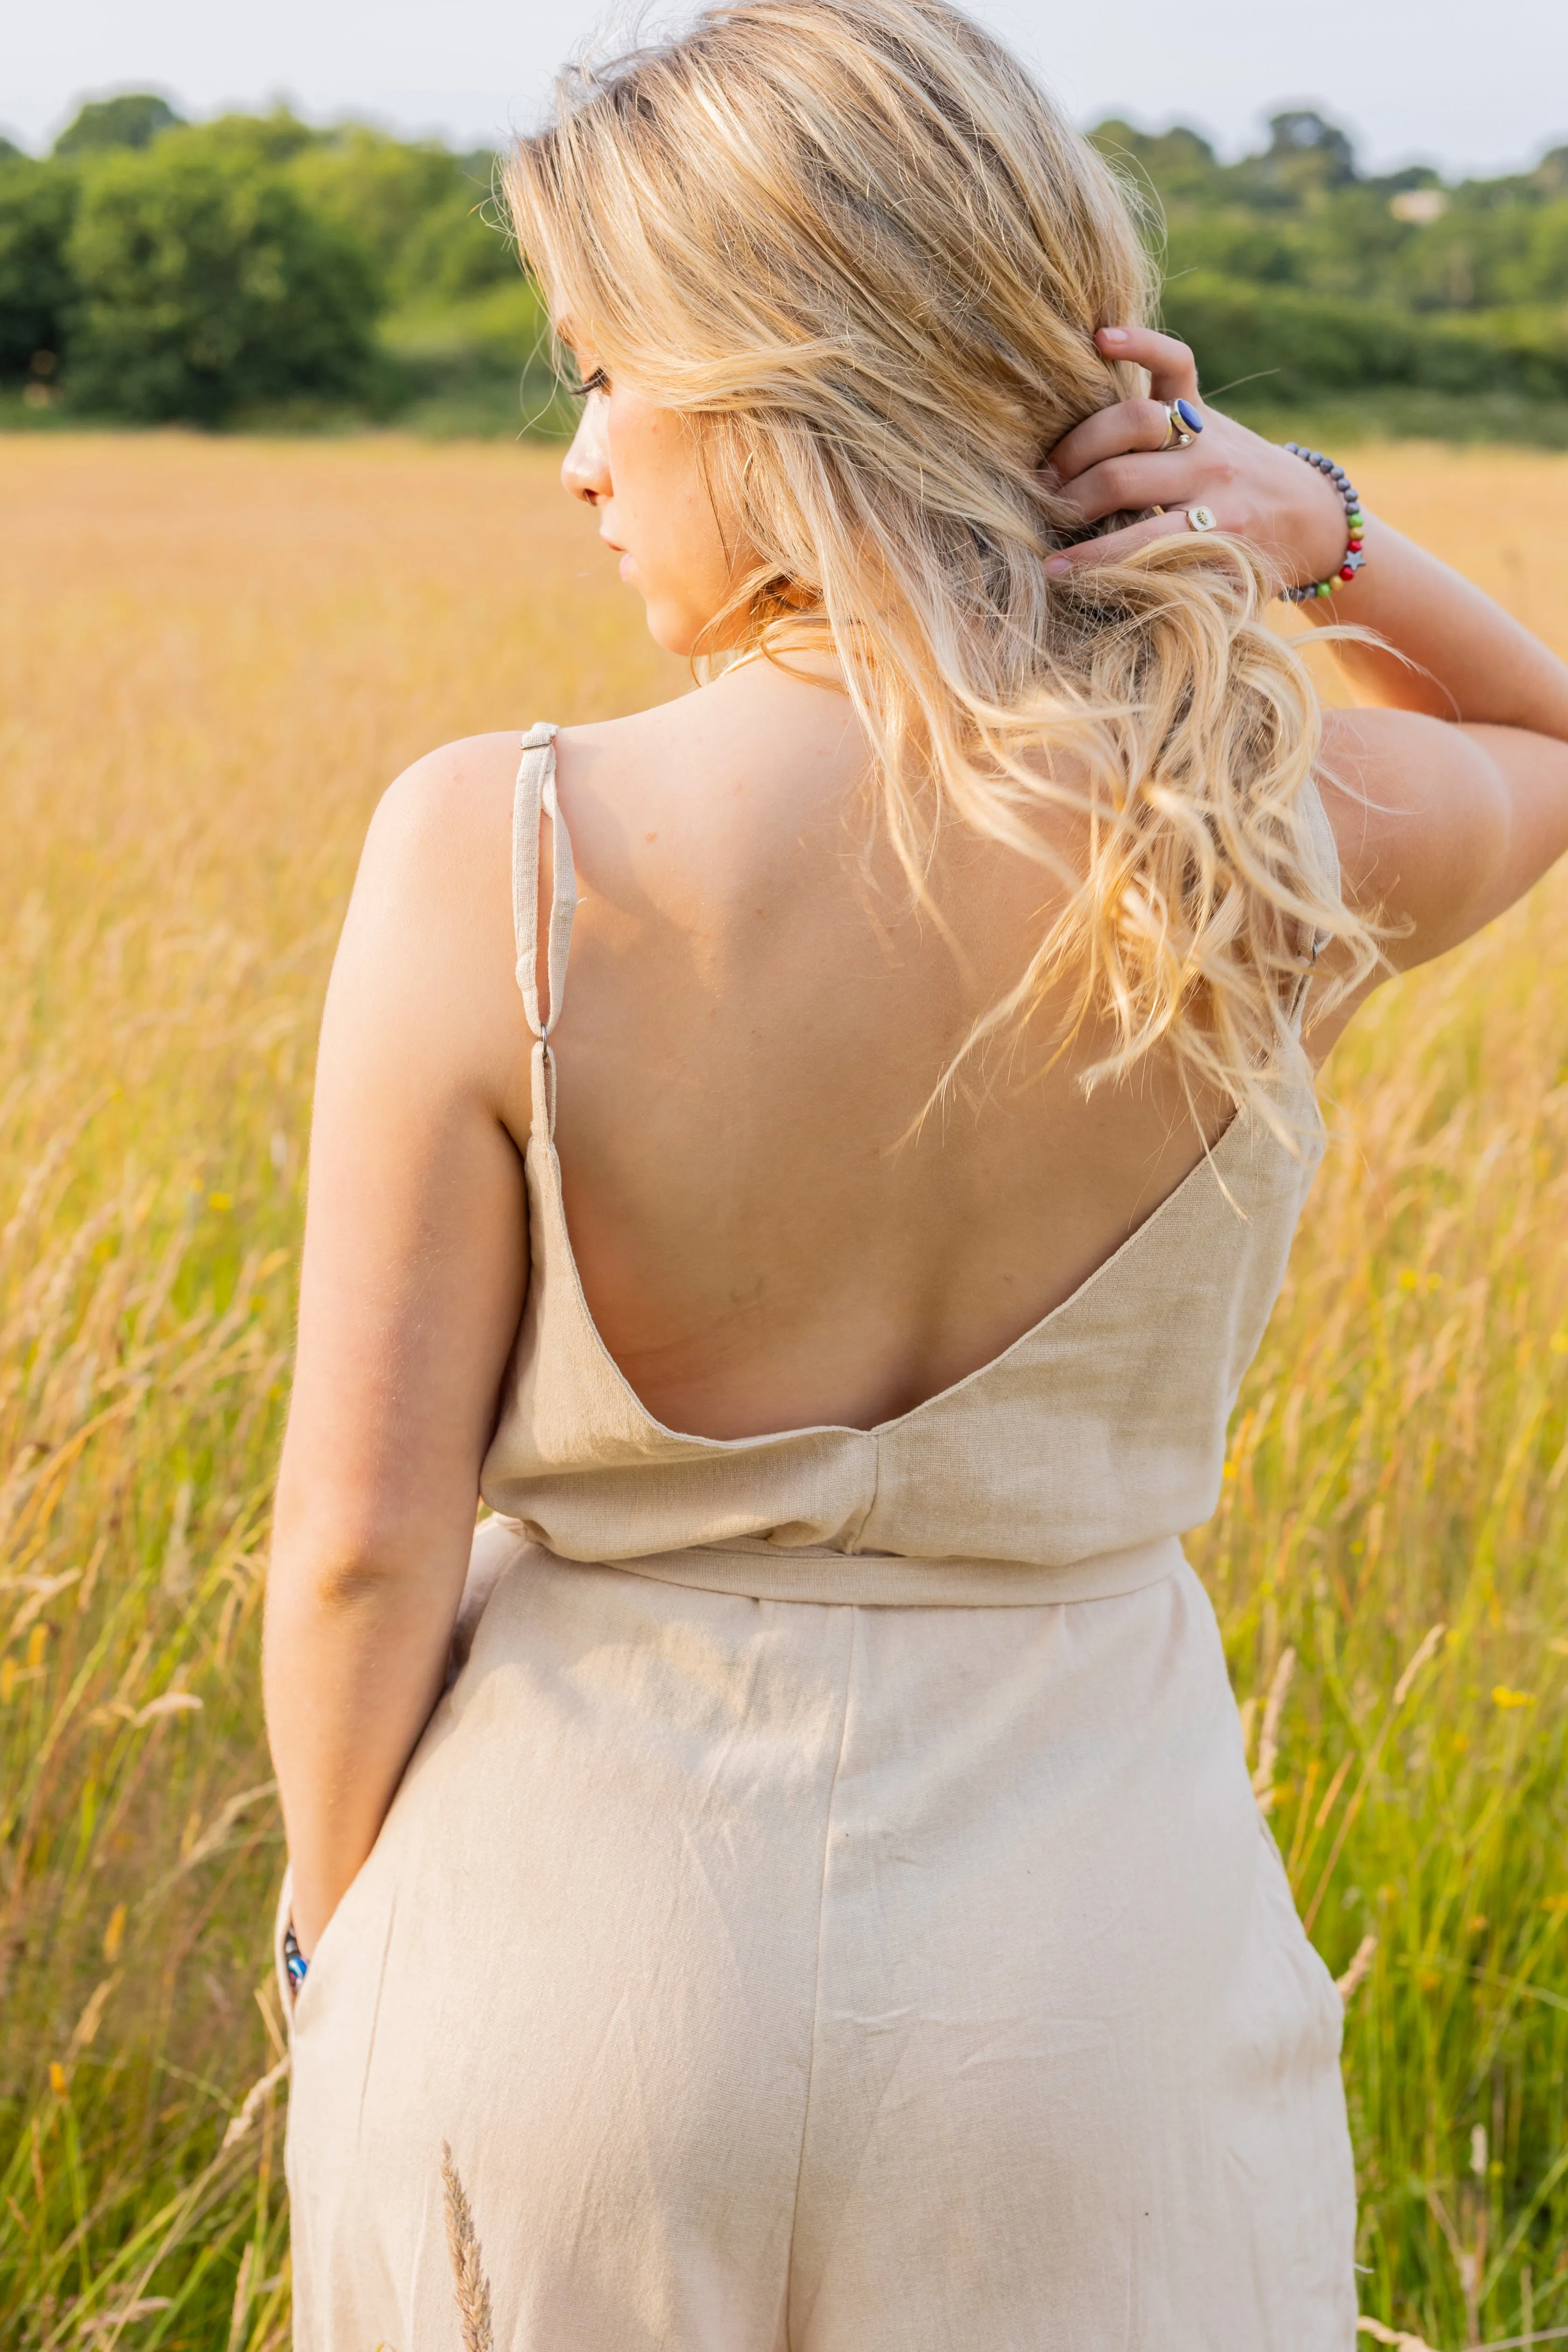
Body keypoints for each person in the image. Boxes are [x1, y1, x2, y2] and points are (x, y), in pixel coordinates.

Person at [262, 0, 1568, 2343]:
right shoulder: (1259, 829)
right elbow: (1542, 741)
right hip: (1092, 1984)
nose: (575, 461)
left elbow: (360, 1552)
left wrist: (341, 1942)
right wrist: (1313, 523)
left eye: (598, 373)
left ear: (774, 382)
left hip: (558, 1957)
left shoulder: (499, 847)